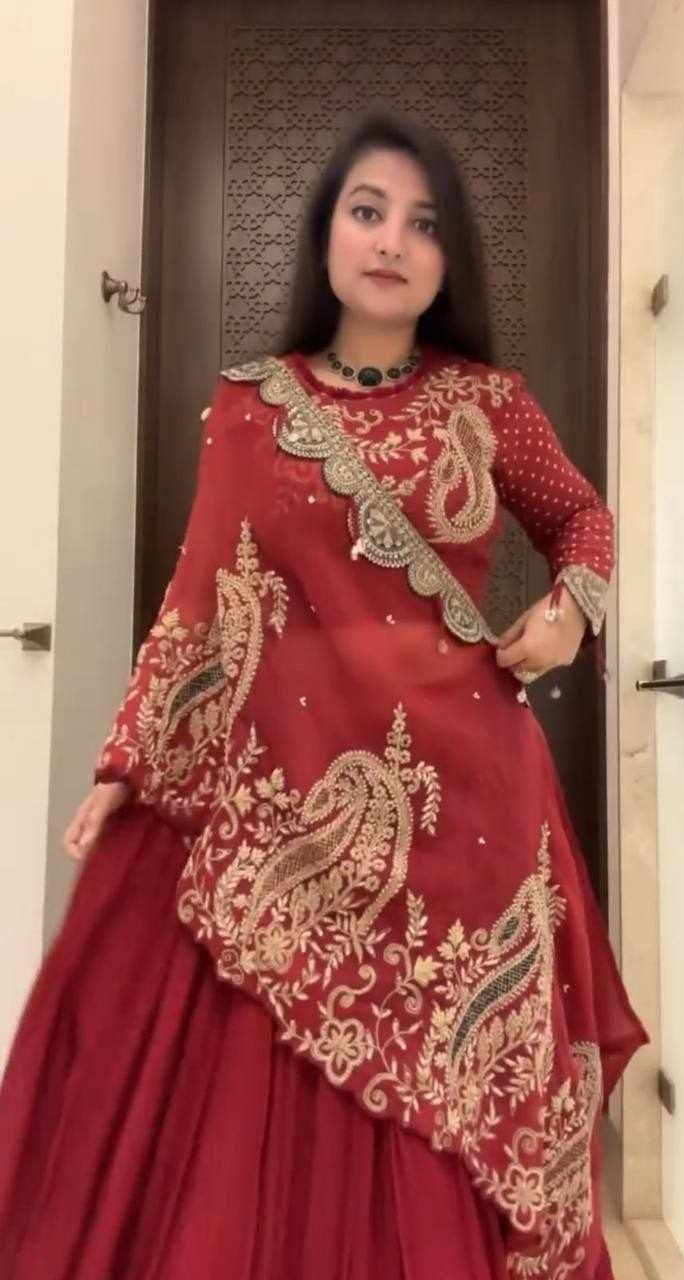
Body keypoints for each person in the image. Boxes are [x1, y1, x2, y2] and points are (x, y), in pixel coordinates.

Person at [0, 109, 648, 1280]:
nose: (391, 240)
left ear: (448, 262)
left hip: (467, 812)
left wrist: (569, 611)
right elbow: (199, 597)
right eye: (366, 211)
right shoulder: (250, 403)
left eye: (422, 223)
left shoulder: (486, 402)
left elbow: (581, 519)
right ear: (325, 234)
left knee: (451, 1117)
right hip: (291, 810)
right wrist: (128, 760)